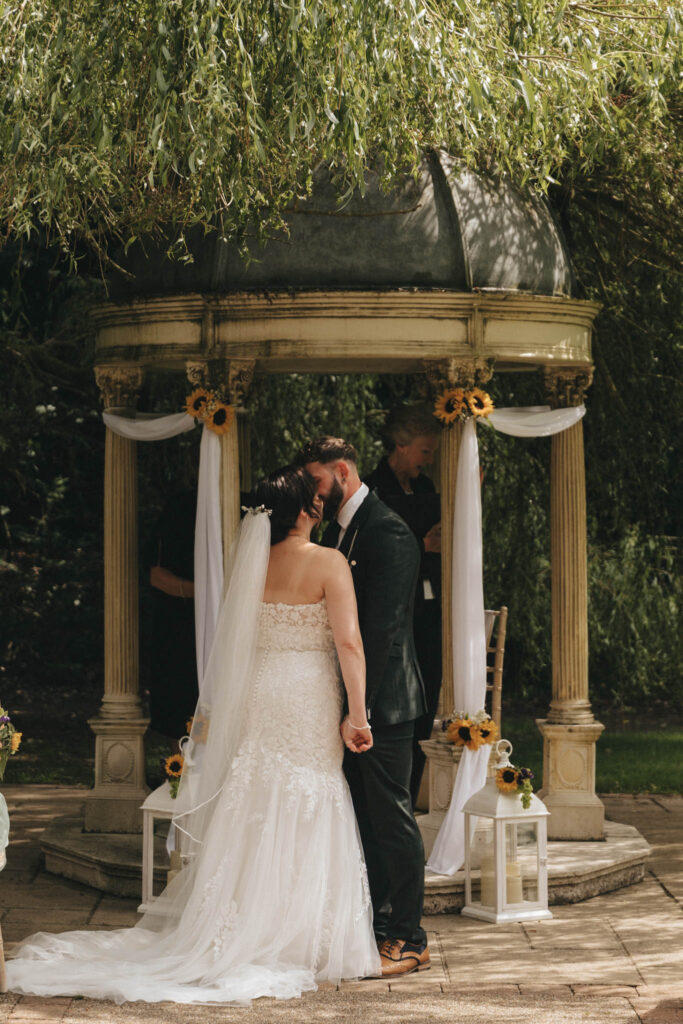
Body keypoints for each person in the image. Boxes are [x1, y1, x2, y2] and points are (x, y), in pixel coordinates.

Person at [7, 467, 380, 1004]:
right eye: (315, 500)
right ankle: (299, 934)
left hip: (260, 687)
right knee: (309, 788)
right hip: (306, 692)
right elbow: (349, 644)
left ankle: (243, 922)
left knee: (258, 789)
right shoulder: (328, 562)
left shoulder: (252, 561)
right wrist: (358, 715)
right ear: (306, 510)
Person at [298, 437, 430, 978]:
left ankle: (410, 937)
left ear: (343, 472)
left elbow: (382, 634)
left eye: (318, 482)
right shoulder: (340, 530)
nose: (313, 492)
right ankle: (376, 926)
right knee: (367, 822)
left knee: (393, 820)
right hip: (354, 705)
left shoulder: (390, 531)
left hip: (386, 708)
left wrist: (361, 714)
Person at [363, 405, 442, 808]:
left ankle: (413, 791)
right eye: (425, 451)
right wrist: (420, 545)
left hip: (428, 610)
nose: (429, 460)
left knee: (428, 689)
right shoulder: (372, 490)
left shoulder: (426, 489)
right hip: (394, 612)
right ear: (401, 446)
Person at [143, 490, 198, 741]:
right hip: (177, 625)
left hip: (214, 627)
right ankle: (179, 772)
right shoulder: (178, 511)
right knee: (177, 702)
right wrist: (204, 592)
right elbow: (157, 576)